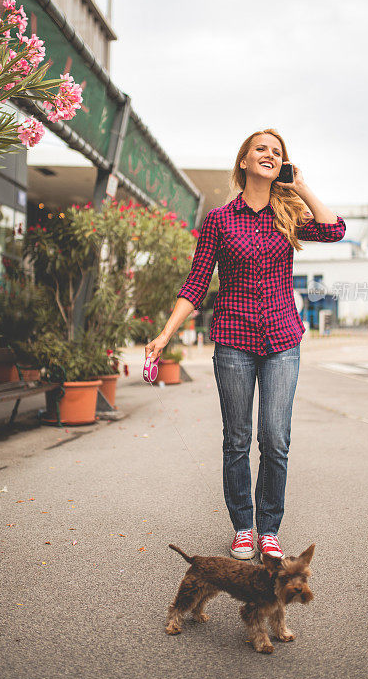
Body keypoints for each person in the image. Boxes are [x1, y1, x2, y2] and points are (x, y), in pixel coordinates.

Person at [145, 129, 346, 561]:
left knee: (274, 439)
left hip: (282, 340)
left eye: (277, 152)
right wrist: (165, 335)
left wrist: (301, 186)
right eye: (262, 150)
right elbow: (197, 282)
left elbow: (335, 231)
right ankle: (243, 526)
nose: (269, 155)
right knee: (236, 439)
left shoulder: (287, 213)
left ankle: (269, 529)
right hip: (233, 341)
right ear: (244, 161)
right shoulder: (219, 219)